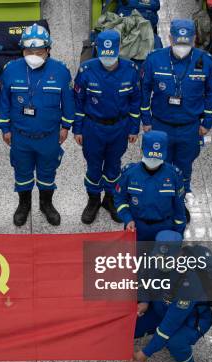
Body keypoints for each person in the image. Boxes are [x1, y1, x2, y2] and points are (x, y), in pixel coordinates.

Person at [140, 19, 212, 222]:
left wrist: (207, 122)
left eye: (186, 42)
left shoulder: (206, 61)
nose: (182, 47)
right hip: (159, 125)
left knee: (184, 168)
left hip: (189, 127)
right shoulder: (154, 59)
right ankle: (159, 202)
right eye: (178, 42)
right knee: (157, 165)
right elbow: (144, 90)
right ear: (170, 38)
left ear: (194, 39)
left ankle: (179, 202)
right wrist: (146, 119)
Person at [0, 23, 75, 226]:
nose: (33, 55)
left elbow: (69, 102)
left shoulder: (61, 71)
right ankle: (23, 205)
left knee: (47, 173)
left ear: (48, 50)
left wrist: (66, 127)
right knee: (22, 173)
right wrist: (5, 129)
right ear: (22, 49)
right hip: (20, 136)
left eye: (39, 51)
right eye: (29, 50)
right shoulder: (10, 70)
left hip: (49, 136)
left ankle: (46, 204)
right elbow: (4, 102)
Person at [132, 230, 212, 362]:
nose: (159, 262)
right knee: (131, 324)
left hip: (190, 320)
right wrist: (144, 301)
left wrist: (147, 352)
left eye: (165, 259)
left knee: (175, 342)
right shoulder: (154, 259)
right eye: (158, 257)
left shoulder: (188, 282)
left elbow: (169, 326)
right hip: (161, 308)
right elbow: (143, 279)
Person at [73, 29, 141, 225]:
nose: (108, 59)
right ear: (98, 50)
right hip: (93, 127)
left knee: (114, 165)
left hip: (120, 127)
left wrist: (133, 128)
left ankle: (110, 199)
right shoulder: (86, 70)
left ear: (119, 49)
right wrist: (77, 129)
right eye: (104, 54)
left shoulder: (131, 70)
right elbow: (78, 101)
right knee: (93, 166)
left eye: (112, 55)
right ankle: (93, 200)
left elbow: (135, 100)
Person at [113, 130, 186, 242]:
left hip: (165, 227)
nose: (153, 160)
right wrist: (128, 219)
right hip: (136, 226)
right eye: (150, 156)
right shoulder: (129, 173)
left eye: (157, 157)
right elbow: (120, 199)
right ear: (142, 149)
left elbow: (179, 209)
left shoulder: (174, 175)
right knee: (136, 257)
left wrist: (178, 235)